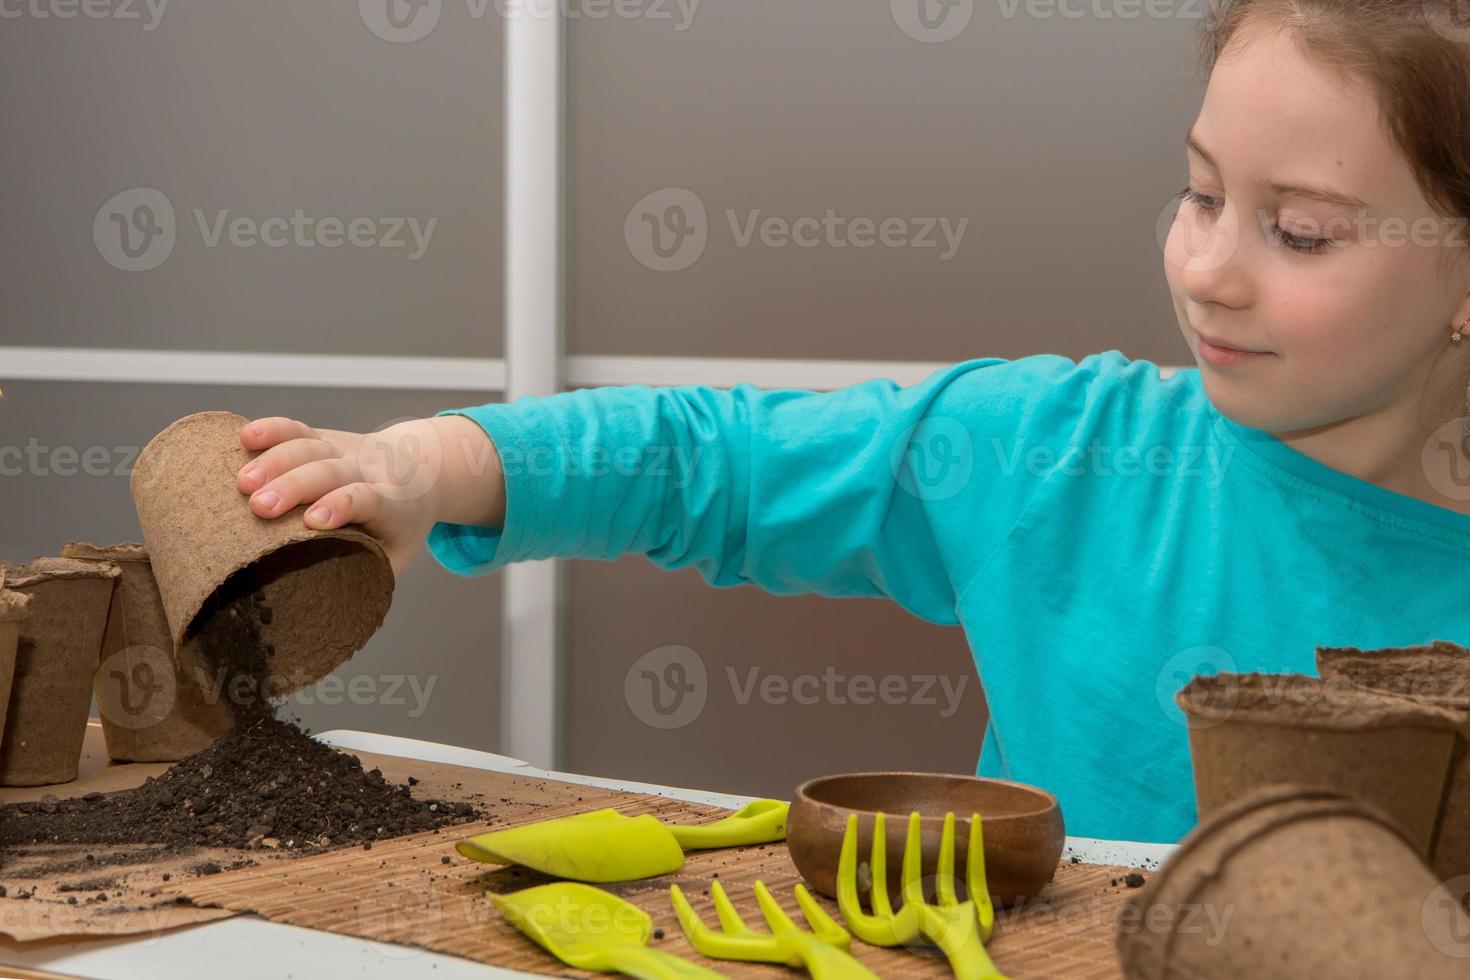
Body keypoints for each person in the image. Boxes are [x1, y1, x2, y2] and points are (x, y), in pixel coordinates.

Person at [233, 1, 1470, 844]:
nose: (1207, 267)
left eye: (1299, 230)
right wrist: (420, 465)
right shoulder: (1059, 454)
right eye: (1199, 193)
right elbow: (707, 460)